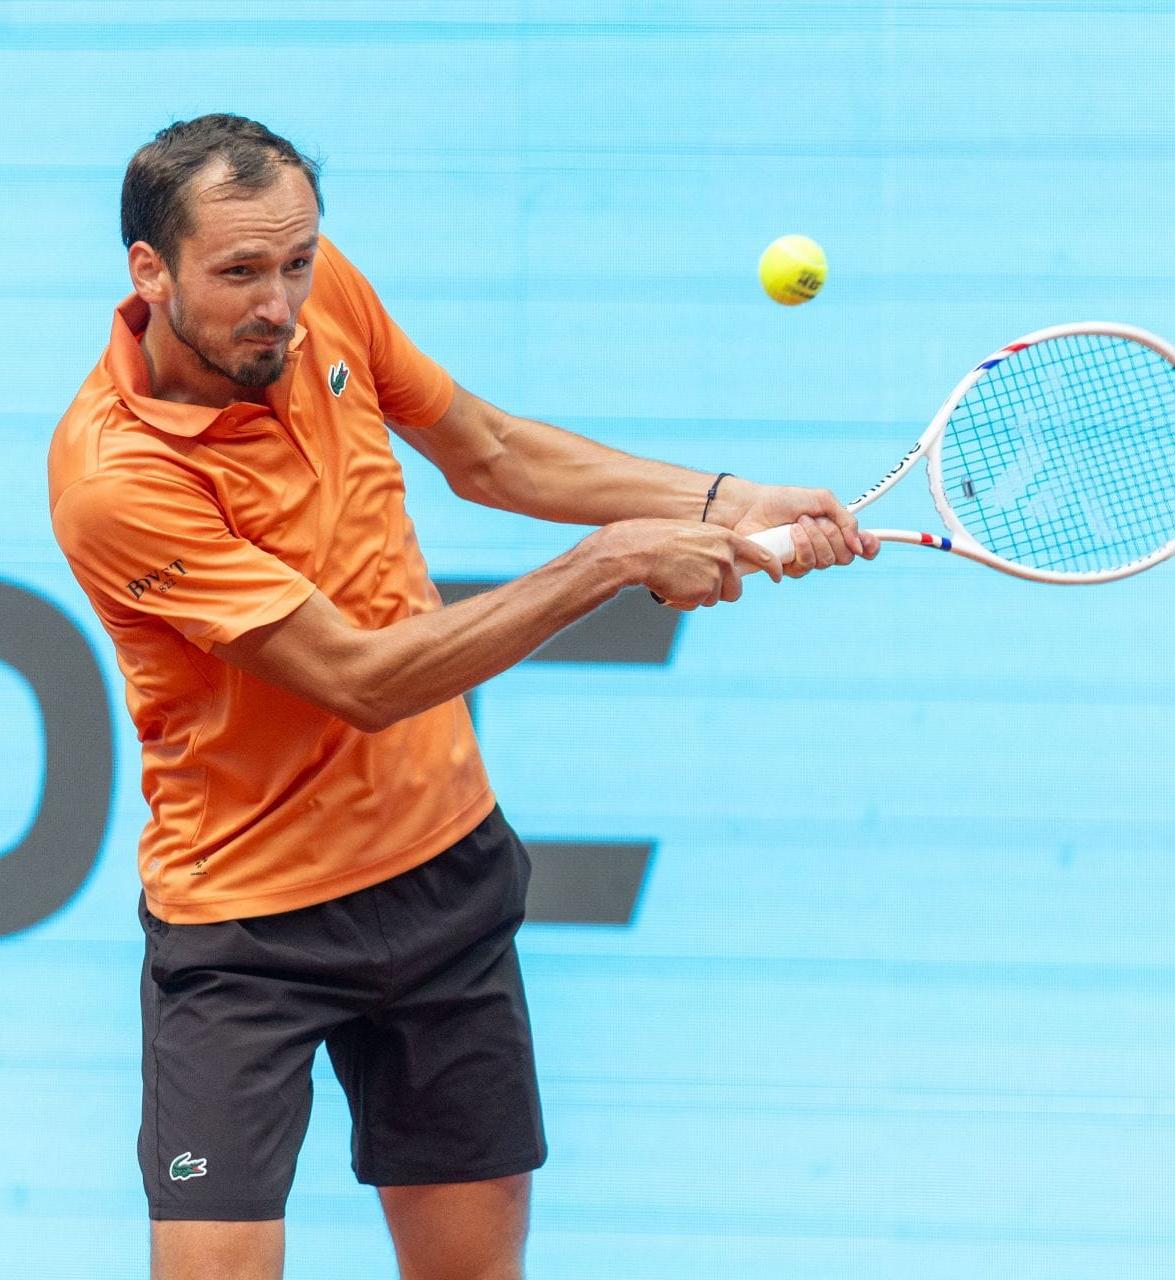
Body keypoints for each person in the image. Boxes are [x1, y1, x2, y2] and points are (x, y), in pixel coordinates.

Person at [47, 113, 878, 1280]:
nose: (279, 300)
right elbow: (360, 679)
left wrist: (724, 499)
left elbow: (487, 449)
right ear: (150, 270)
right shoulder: (117, 479)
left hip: (440, 875)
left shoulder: (320, 288)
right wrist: (612, 558)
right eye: (238, 272)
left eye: (295, 260)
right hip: (244, 924)